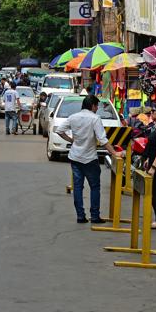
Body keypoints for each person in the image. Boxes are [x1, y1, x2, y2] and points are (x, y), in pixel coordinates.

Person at [53, 95, 123, 224]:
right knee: (95, 187)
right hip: (90, 158)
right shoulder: (95, 119)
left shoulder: (73, 117)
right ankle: (95, 216)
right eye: (97, 106)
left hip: (75, 157)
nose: (97, 109)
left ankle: (80, 216)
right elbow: (103, 140)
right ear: (92, 106)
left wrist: (71, 140)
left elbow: (59, 130)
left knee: (78, 187)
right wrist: (114, 153)